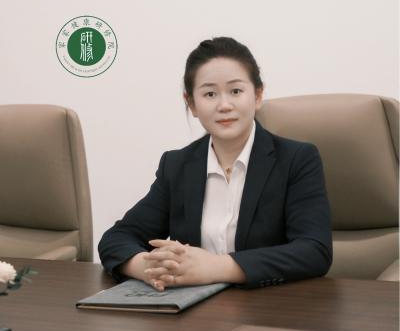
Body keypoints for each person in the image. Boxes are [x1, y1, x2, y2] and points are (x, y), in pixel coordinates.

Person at [99, 37, 332, 291]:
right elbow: (116, 239)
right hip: (194, 307)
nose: (224, 105)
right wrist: (152, 267)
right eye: (210, 94)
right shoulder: (177, 166)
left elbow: (314, 251)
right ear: (191, 103)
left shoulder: (297, 159)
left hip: (269, 305)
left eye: (236, 91)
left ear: (257, 95)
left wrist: (217, 267)